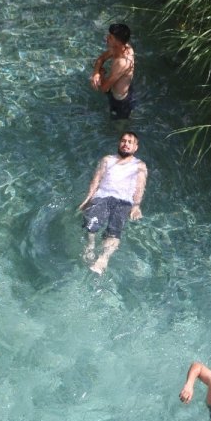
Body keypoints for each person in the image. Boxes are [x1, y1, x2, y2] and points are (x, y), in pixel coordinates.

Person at [78, 132, 147, 275]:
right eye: (123, 141)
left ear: (135, 147)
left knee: (114, 231)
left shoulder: (139, 165)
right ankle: (90, 246)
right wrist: (87, 199)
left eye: (130, 142)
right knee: (91, 223)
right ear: (119, 143)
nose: (126, 144)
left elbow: (140, 187)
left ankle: (103, 259)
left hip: (123, 201)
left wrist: (136, 206)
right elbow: (96, 181)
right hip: (102, 196)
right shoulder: (107, 160)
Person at [90, 23, 136, 120]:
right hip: (116, 87)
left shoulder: (123, 63)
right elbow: (101, 59)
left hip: (120, 101)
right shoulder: (120, 47)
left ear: (118, 42)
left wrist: (101, 75)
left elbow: (104, 89)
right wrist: (96, 73)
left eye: (110, 37)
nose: (106, 38)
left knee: (117, 124)